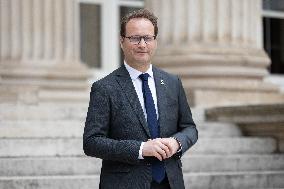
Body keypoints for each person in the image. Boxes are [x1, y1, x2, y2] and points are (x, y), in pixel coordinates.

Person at [83, 9, 198, 189]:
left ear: (155, 41)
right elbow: (91, 142)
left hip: (170, 182)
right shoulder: (104, 87)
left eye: (148, 38)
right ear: (122, 41)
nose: (142, 44)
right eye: (135, 38)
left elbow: (189, 128)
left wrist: (177, 143)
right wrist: (140, 149)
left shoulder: (172, 82)